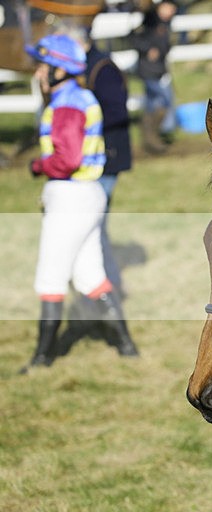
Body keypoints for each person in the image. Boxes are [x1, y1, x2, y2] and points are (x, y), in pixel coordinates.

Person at [21, 34, 138, 374]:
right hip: (86, 195)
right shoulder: (81, 96)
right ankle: (127, 347)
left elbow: (67, 158)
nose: (39, 73)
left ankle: (41, 359)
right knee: (90, 276)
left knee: (50, 277)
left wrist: (38, 165)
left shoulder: (66, 103)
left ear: (60, 70)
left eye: (44, 66)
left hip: (70, 196)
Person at [66, 25, 132, 290]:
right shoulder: (85, 67)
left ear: (80, 44)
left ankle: (103, 281)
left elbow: (117, 110)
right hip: (94, 156)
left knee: (95, 222)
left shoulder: (102, 69)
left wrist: (83, 120)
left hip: (108, 155)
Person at [130, 0, 178, 154]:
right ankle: (152, 137)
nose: (170, 11)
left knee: (153, 103)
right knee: (163, 101)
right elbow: (135, 37)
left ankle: (151, 138)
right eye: (168, 7)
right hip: (149, 70)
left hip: (158, 70)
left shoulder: (165, 24)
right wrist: (148, 49)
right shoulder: (150, 20)